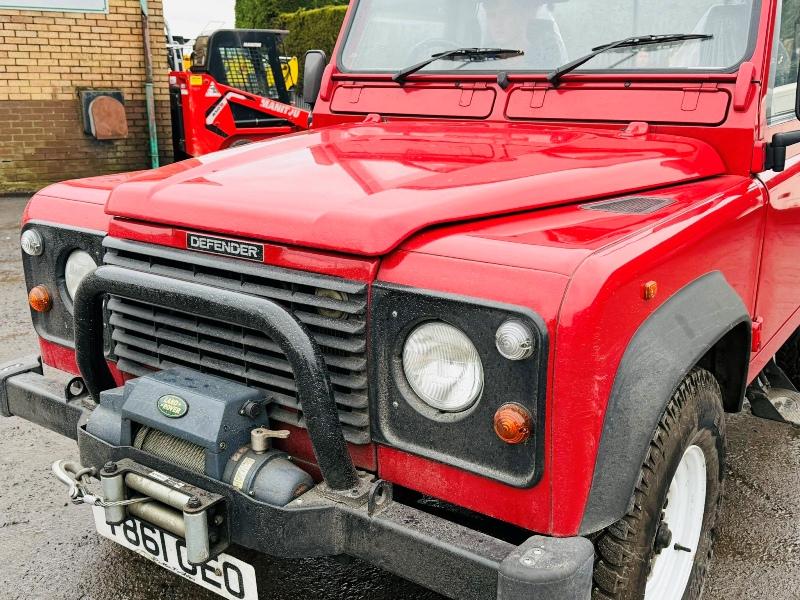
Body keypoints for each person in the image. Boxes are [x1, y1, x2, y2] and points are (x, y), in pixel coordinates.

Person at [481, 0, 569, 68]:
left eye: (505, 14)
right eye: (491, 16)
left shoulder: (545, 60)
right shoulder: (480, 65)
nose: (497, 23)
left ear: (523, 16)